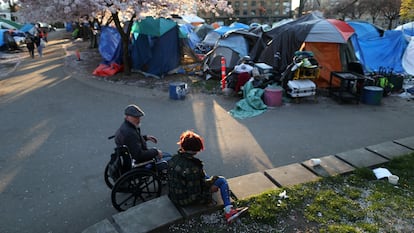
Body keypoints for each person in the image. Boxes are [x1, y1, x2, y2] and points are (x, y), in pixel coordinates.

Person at [167, 130, 247, 223]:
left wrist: (208, 181)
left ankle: (228, 209)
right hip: (183, 200)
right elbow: (194, 196)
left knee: (206, 176)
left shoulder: (174, 158)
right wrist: (209, 194)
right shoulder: (193, 168)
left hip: (174, 195)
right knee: (222, 180)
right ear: (197, 149)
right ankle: (229, 212)